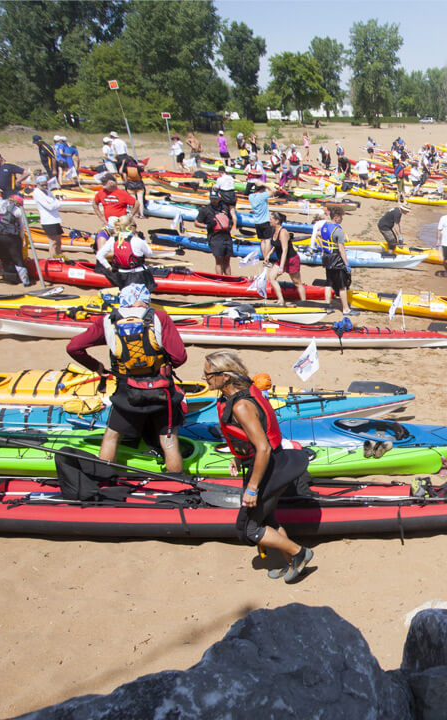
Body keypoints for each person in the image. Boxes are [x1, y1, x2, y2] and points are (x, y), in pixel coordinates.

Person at [204, 350, 315, 583]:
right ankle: (292, 563)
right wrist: (238, 456)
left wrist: (252, 488)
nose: (205, 379)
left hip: (268, 469)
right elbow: (252, 438)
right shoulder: (241, 394)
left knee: (249, 529)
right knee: (268, 519)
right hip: (270, 462)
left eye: (208, 375)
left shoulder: (241, 406)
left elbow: (263, 448)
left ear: (224, 376)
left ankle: (299, 553)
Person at [66, 283, 189, 476]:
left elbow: (74, 347)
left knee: (111, 437)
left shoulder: (108, 320)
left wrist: (97, 367)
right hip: (161, 389)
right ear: (146, 299)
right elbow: (180, 357)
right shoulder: (160, 317)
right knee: (169, 440)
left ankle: (103, 479)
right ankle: (177, 484)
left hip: (126, 389)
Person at [0, 192, 33, 286]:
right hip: (6, 235)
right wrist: (20, 244)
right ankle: (26, 281)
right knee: (17, 258)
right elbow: (21, 230)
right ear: (18, 203)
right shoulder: (17, 210)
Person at [96, 215, 156, 290]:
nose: (136, 228)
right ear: (130, 227)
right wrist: (143, 239)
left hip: (121, 275)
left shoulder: (113, 240)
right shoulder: (137, 240)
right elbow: (149, 254)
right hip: (139, 275)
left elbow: (99, 255)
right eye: (135, 225)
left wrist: (109, 268)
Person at [313, 206, 352, 311]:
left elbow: (318, 235)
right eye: (341, 217)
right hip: (336, 259)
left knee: (329, 282)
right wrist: (347, 264)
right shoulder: (338, 230)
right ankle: (346, 309)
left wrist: (322, 247)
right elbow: (341, 250)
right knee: (342, 286)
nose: (342, 219)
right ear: (336, 217)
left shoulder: (324, 226)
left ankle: (327, 305)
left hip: (326, 258)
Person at [263, 211, 306, 306]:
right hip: (281, 259)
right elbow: (276, 245)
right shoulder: (274, 230)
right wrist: (269, 254)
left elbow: (285, 249)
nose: (269, 220)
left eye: (271, 219)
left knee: (297, 282)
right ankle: (281, 300)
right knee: (272, 277)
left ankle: (304, 302)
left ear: (277, 221)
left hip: (291, 259)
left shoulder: (283, 232)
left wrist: (282, 267)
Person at [194, 189, 237, 275]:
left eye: (215, 198)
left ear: (219, 198)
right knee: (219, 261)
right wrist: (207, 226)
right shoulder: (205, 210)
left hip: (226, 236)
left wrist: (230, 224)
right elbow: (196, 223)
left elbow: (230, 218)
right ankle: (220, 279)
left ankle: (229, 279)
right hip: (215, 237)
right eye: (212, 198)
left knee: (227, 261)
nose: (214, 200)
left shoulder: (224, 207)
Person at [30, 174, 65, 257]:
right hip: (47, 221)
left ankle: (59, 256)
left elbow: (56, 203)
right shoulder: (37, 193)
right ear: (37, 184)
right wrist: (55, 204)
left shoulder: (48, 191)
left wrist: (55, 204)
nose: (45, 186)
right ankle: (53, 258)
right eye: (43, 185)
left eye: (46, 184)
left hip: (55, 219)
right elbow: (50, 207)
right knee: (53, 242)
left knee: (58, 241)